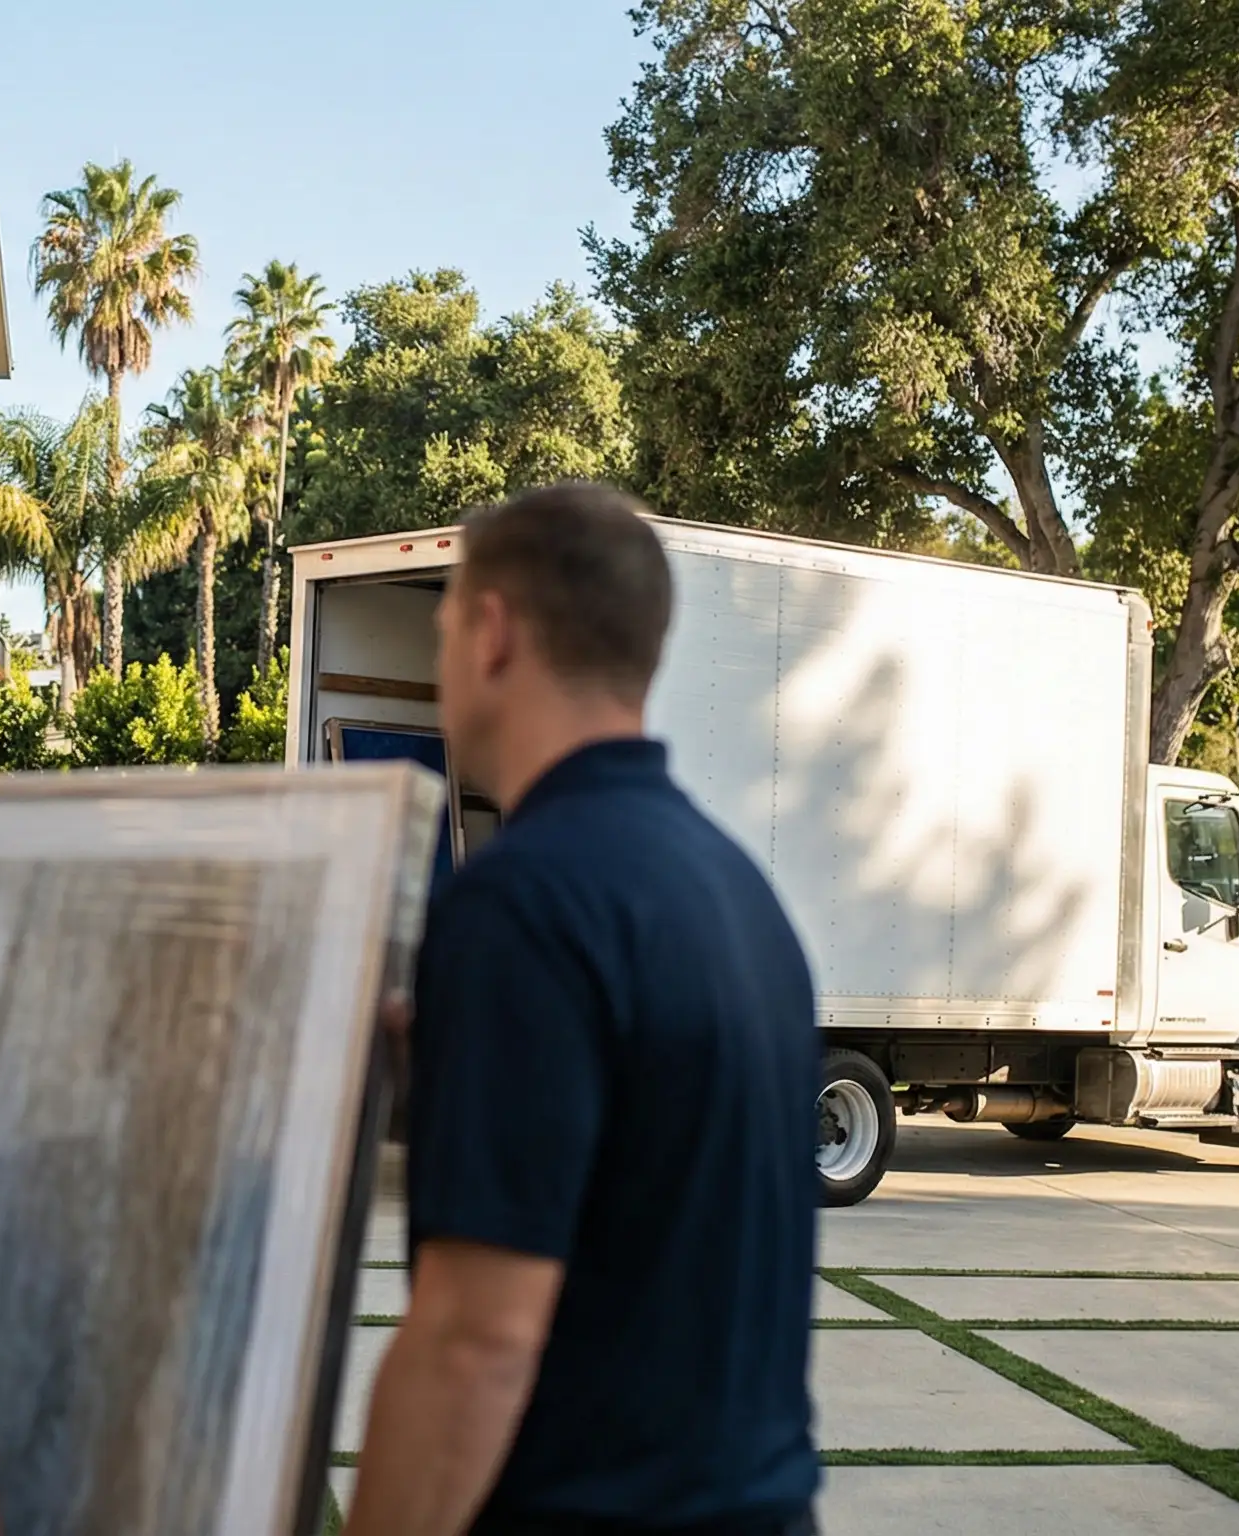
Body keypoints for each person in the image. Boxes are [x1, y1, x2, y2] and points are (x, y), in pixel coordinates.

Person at [345, 483, 820, 1536]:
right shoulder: (741, 896)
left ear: (493, 632)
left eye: (441, 630)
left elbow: (476, 1344)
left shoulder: (519, 901)